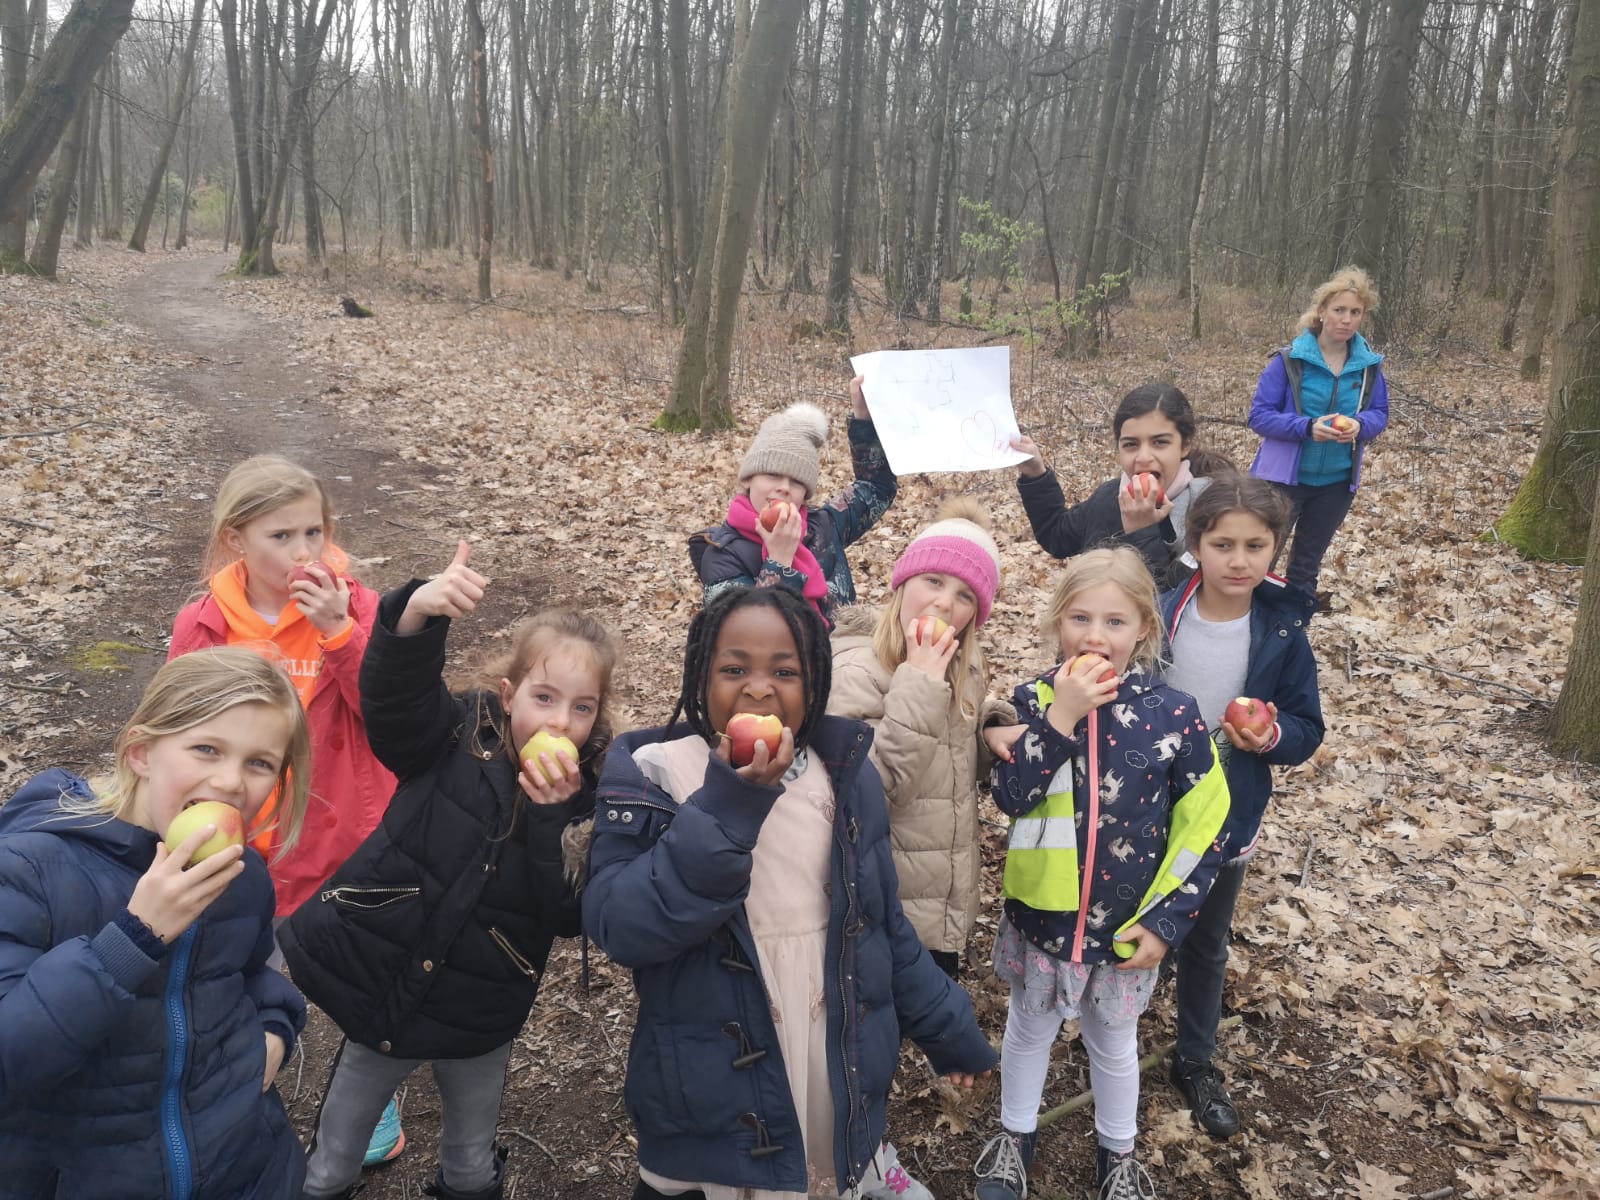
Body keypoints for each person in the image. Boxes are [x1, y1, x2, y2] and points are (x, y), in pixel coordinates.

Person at [584, 585, 997, 1200]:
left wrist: (949, 1029)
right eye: (734, 669)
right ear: (699, 678)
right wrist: (730, 804)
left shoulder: (844, 779)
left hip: (827, 1043)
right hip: (715, 1067)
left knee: (813, 1166)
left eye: (784, 671)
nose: (758, 688)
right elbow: (622, 926)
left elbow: (883, 928)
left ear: (816, 685)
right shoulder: (660, 776)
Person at [283, 542, 611, 1200]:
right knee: (334, 1156)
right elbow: (394, 705)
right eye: (545, 697)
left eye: (582, 708)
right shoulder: (456, 735)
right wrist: (415, 617)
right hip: (388, 988)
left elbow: (567, 914)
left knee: (469, 1163)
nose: (560, 721)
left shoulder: (588, 801)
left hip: (482, 1010)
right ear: (508, 695)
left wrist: (551, 818)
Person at [0, 649, 312, 1197]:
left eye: (260, 763)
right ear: (141, 753)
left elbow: (251, 972)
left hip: (243, 1167)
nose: (231, 781)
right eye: (207, 749)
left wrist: (274, 1026)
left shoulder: (241, 875)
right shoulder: (29, 869)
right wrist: (133, 938)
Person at [974, 547, 1231, 1200]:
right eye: (1080, 617)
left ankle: (1118, 1153)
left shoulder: (1173, 713)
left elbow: (1207, 825)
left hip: (1125, 927)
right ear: (1058, 621)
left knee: (1113, 1042)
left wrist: (1167, 922)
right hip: (1044, 920)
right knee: (1028, 1030)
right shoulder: (1031, 702)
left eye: (1115, 621)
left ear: (1144, 628)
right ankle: (1014, 1136)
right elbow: (1011, 795)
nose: (1095, 635)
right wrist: (1059, 716)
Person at [1158, 475, 1325, 1139]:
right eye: (1222, 544)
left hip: (1227, 813)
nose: (1238, 560)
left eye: (1255, 546)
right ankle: (1115, 1029)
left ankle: (1195, 1058)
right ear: (1195, 544)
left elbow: (1307, 728)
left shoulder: (1282, 634)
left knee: (1205, 940)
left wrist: (1272, 736)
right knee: (1139, 919)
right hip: (1150, 806)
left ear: (1275, 548)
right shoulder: (1160, 615)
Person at [827, 498, 1016, 979]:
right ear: (903, 582)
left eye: (965, 595)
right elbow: (873, 792)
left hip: (941, 903)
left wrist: (987, 730)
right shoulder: (856, 670)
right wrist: (920, 684)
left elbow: (946, 760)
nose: (945, 602)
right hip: (880, 904)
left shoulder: (963, 665)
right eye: (933, 580)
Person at [689, 376, 897, 628]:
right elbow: (748, 635)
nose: (784, 488)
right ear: (748, 479)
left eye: (797, 482)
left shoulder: (825, 526)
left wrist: (863, 419)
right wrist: (778, 561)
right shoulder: (722, 554)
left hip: (843, 649)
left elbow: (876, 488)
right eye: (772, 475)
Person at [1246, 266, 1390, 608]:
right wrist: (1307, 427)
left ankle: (1292, 628)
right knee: (1259, 560)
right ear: (1322, 311)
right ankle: (1248, 623)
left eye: (1355, 312)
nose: (1346, 319)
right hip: (1282, 482)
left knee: (1306, 568)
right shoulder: (1289, 362)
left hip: (1335, 485)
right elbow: (1259, 416)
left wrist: (1359, 425)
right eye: (1339, 310)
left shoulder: (1368, 367)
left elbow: (1379, 413)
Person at [1010, 383, 1227, 589]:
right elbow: (1056, 537)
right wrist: (1035, 474)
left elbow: (1170, 598)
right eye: (1131, 444)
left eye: (1160, 442)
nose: (1143, 457)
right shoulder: (1109, 497)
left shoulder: (1209, 510)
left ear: (1185, 445)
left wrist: (1141, 530)